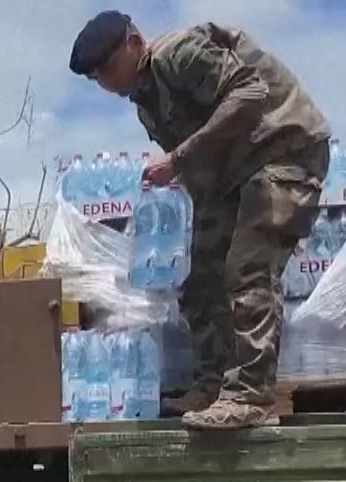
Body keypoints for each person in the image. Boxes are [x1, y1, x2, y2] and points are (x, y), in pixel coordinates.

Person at [70, 11, 331, 430]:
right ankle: (213, 386)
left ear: (135, 42)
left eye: (108, 66)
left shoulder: (178, 54)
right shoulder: (147, 103)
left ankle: (251, 395)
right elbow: (201, 161)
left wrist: (177, 160)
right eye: (96, 76)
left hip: (284, 151)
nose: (105, 80)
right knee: (200, 282)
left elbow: (250, 92)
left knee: (247, 268)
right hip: (235, 175)